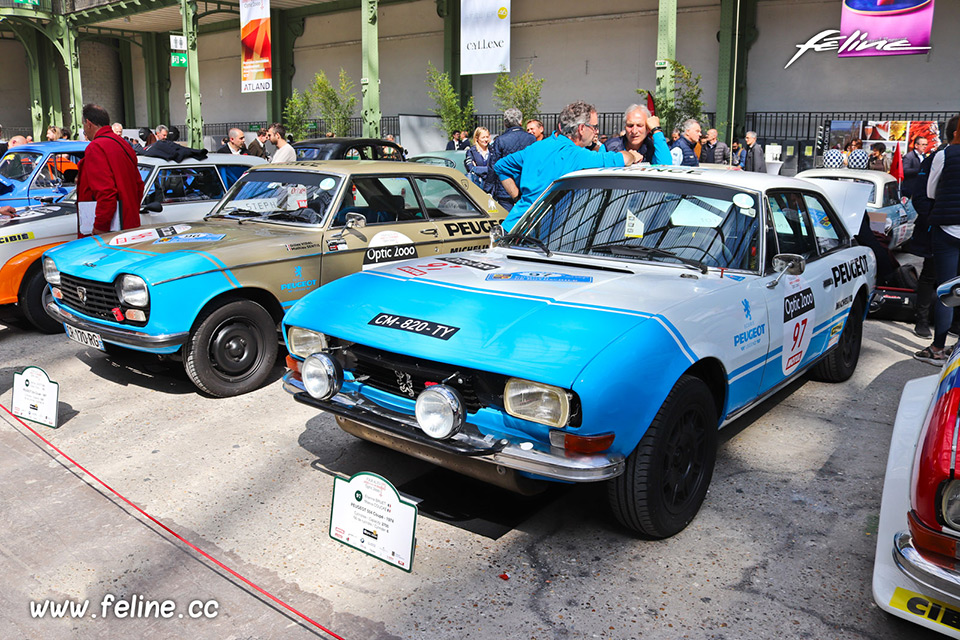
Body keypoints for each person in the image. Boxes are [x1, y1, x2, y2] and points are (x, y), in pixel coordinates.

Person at [494, 100, 642, 231]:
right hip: (537, 235)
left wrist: (518, 198)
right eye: (595, 127)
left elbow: (501, 166)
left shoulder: (537, 147)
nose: (597, 131)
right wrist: (632, 154)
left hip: (512, 226)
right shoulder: (577, 156)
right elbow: (622, 159)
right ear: (582, 129)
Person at [915, 114, 960, 365]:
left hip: (948, 229)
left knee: (948, 289)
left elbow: (930, 191)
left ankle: (938, 350)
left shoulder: (944, 155)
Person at [75, 103, 144, 236]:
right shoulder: (124, 144)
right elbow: (139, 186)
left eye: (84, 125)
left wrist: (100, 227)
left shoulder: (96, 147)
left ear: (88, 123)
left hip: (108, 231)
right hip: (129, 224)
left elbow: (106, 193)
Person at [484, 108, 535, 210]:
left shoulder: (500, 140)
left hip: (505, 188)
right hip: (526, 185)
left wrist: (487, 188)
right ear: (521, 122)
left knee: (507, 218)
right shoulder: (531, 139)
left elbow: (494, 165)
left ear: (505, 123)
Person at [604, 104, 672, 165]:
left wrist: (656, 130)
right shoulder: (609, 146)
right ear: (625, 127)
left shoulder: (654, 148)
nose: (634, 131)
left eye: (639, 125)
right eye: (630, 125)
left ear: (648, 128)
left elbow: (666, 166)